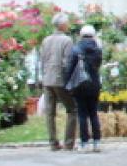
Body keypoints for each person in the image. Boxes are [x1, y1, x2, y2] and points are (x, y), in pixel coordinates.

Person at [41, 13, 78, 151]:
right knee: (72, 109)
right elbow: (68, 62)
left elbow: (43, 60)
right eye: (67, 23)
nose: (68, 25)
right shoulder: (66, 40)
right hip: (60, 79)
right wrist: (70, 82)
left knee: (50, 112)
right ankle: (68, 143)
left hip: (47, 79)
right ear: (62, 25)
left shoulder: (46, 40)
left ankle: (53, 143)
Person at [65, 25, 103, 152]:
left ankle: (84, 143)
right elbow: (98, 65)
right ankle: (97, 142)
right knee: (93, 113)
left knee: (82, 114)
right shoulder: (98, 50)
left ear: (81, 35)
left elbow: (70, 68)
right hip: (94, 84)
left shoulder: (76, 49)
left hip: (80, 84)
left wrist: (67, 83)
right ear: (93, 35)